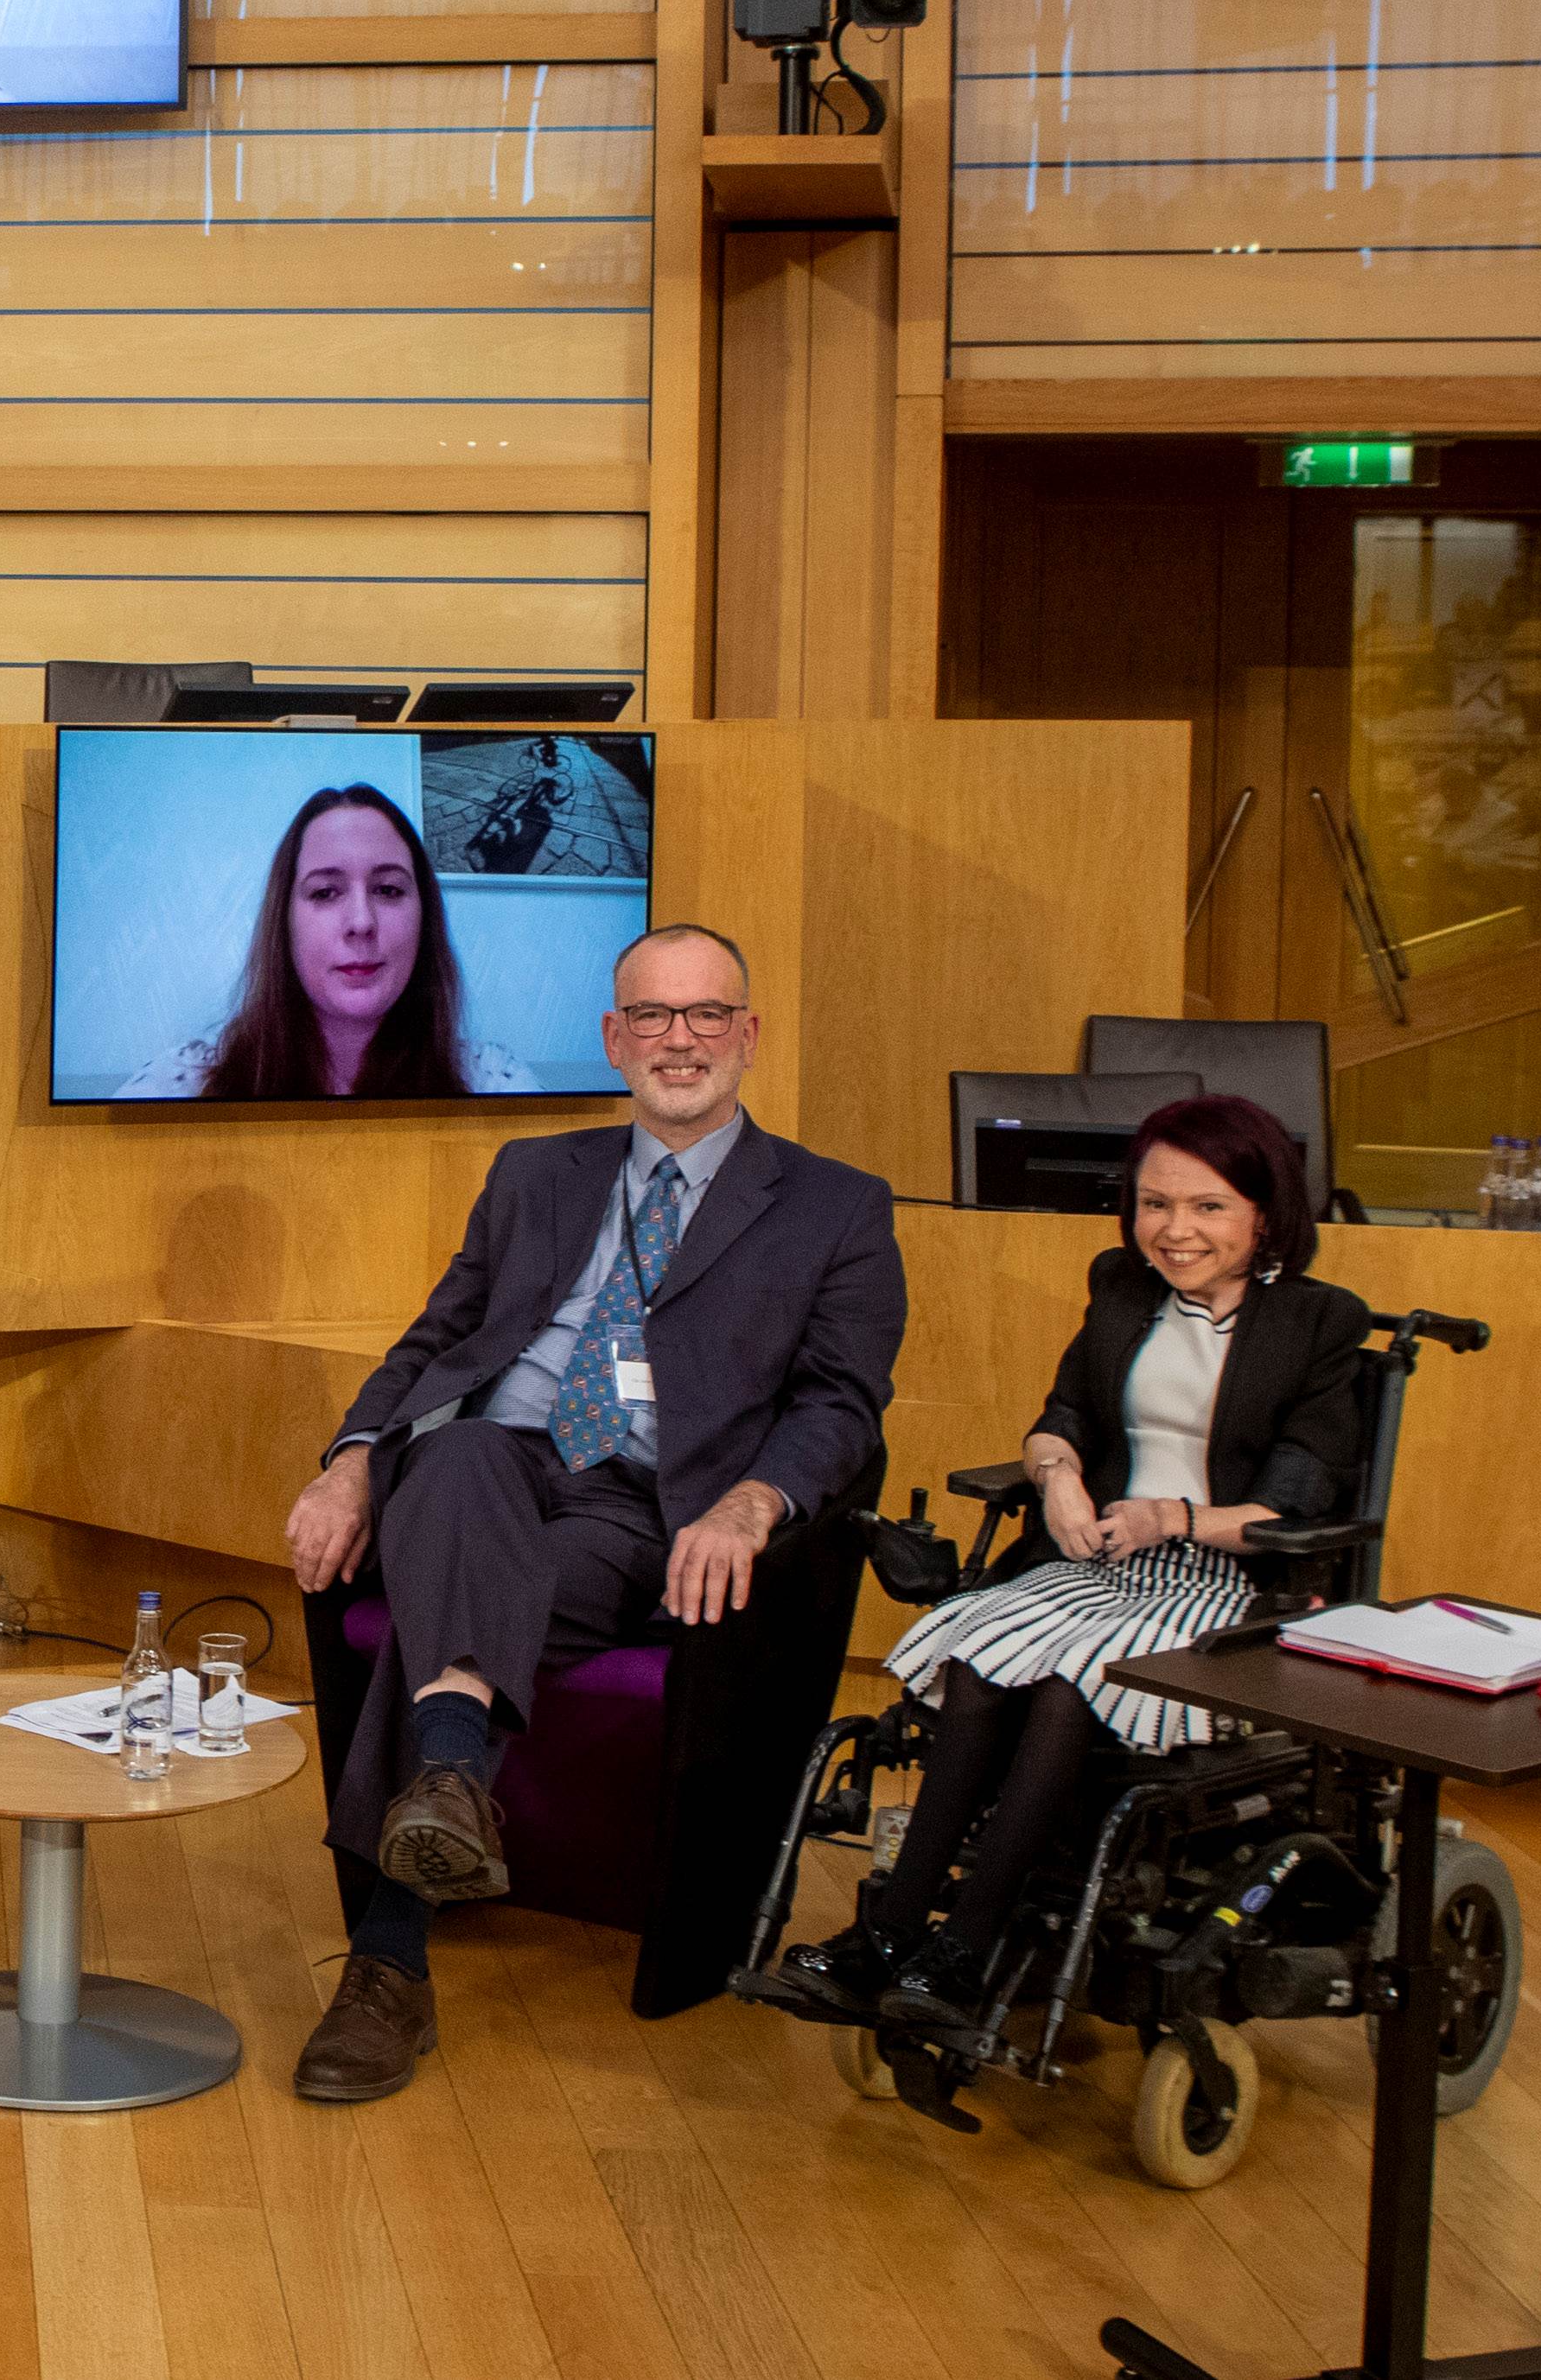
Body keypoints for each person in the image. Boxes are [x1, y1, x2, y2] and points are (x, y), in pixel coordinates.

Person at [276, 924, 901, 2101]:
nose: (679, 1039)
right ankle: (442, 1807)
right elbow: (435, 1342)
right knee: (453, 1458)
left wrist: (752, 1501)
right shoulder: (533, 1172)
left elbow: (840, 1401)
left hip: (641, 1506)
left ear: (747, 1035)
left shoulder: (833, 1206)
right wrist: (351, 1456)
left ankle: (388, 1953)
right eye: (652, 1016)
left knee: (455, 1588)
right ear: (612, 1038)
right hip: (494, 1458)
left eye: (705, 1013)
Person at [763, 1092, 1370, 2033]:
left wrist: (1177, 1516)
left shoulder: (1318, 1323)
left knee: (1065, 1686)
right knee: (977, 1660)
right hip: (1096, 1565)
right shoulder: (1122, 1290)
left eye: (1208, 1207)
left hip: (1221, 1585)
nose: (1174, 1231)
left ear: (1265, 1210)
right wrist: (1058, 1481)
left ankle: (965, 1948)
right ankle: (887, 1934)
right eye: (1155, 1204)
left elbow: (1297, 1501)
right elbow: (1065, 1417)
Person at [116, 781, 538, 1099]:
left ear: (425, 917)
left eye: (389, 890)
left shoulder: (493, 1081)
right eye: (325, 892)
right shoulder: (181, 1085)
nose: (361, 922)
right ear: (285, 921)